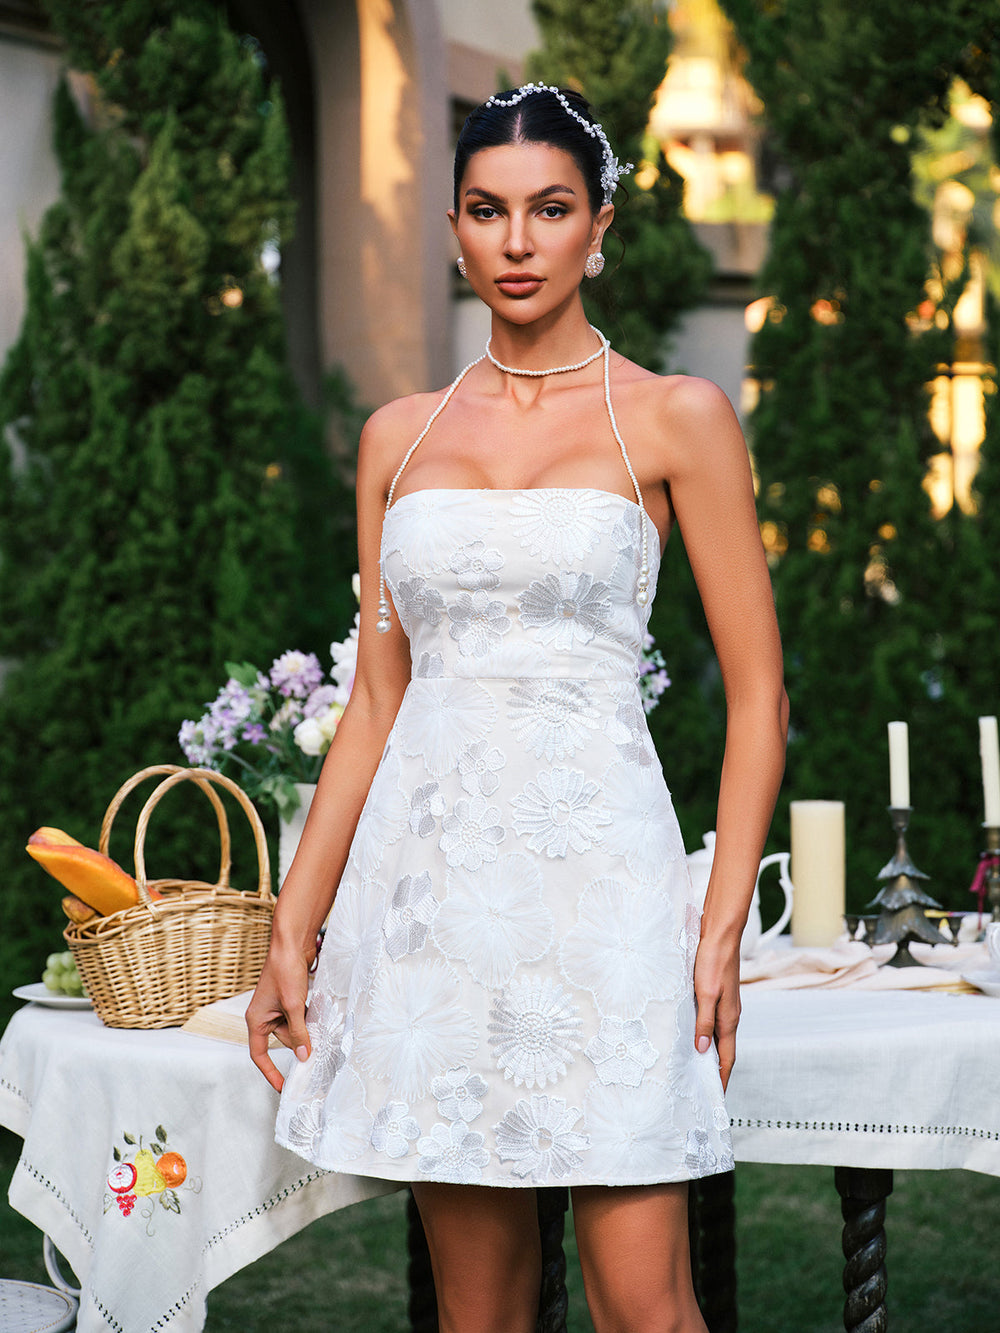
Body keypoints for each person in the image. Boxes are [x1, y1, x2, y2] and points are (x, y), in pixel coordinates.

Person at [248, 82, 787, 1333]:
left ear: (598, 227)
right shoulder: (396, 437)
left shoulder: (676, 417)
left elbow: (760, 694)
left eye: (550, 209)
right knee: (475, 1311)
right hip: (436, 902)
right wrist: (295, 920)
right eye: (487, 211)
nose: (518, 241)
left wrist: (717, 929)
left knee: (645, 1304)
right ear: (454, 229)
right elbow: (376, 703)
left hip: (603, 894)